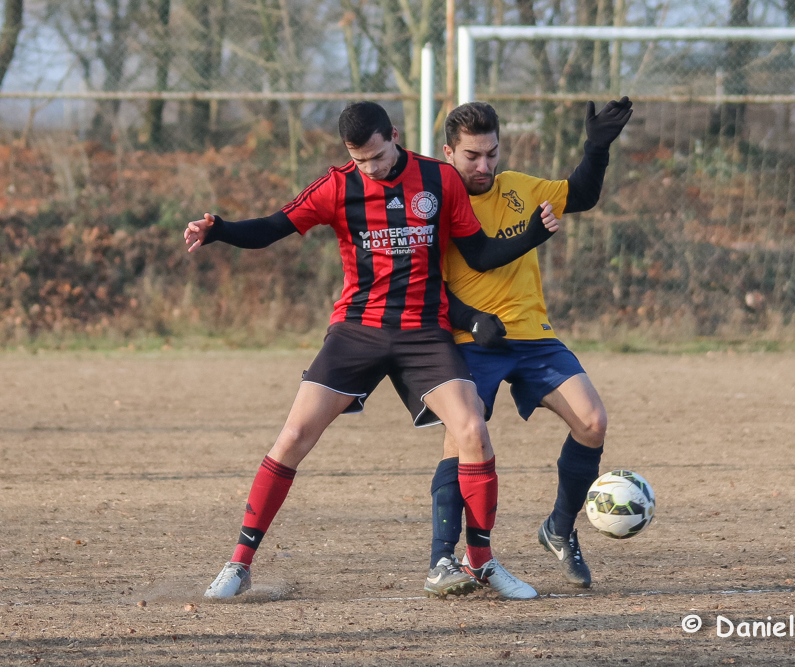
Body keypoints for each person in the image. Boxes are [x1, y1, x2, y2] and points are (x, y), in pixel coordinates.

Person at [184, 101, 561, 600]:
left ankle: (483, 562)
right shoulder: (338, 186)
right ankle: (239, 563)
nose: (371, 168)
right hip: (357, 330)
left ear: (395, 136)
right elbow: (275, 226)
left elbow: (480, 254)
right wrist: (222, 231)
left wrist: (534, 233)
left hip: (425, 333)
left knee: (472, 429)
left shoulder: (440, 180)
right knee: (294, 434)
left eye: (378, 157)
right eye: (360, 159)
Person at [424, 98, 632, 596]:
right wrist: (471, 322)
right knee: (463, 437)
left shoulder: (518, 187)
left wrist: (597, 148)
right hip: (471, 340)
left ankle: (559, 528)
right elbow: (425, 283)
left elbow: (581, 193)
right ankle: (442, 558)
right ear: (448, 151)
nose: (484, 166)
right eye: (472, 156)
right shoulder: (433, 202)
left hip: (534, 336)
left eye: (491, 153)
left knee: (593, 422)